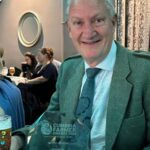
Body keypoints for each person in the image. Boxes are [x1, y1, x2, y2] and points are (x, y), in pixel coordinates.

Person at [11, 0, 150, 149]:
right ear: (69, 29)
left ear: (113, 22)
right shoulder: (68, 68)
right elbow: (51, 122)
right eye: (78, 22)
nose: (89, 32)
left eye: (98, 20)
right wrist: (20, 139)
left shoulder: (144, 71)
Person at [18, 48, 58, 124]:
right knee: (20, 86)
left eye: (39, 54)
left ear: (45, 55)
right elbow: (33, 77)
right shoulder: (39, 67)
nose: (37, 56)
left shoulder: (51, 67)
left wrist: (28, 81)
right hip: (34, 92)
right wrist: (24, 72)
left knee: (21, 89)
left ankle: (23, 117)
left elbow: (42, 79)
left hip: (41, 97)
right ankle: (20, 114)